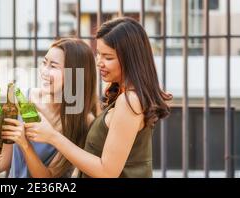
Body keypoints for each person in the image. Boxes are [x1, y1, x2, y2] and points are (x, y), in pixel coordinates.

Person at [25, 17, 172, 178]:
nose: (99, 62)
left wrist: (52, 137)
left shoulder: (130, 101)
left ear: (130, 59)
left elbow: (107, 172)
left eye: (108, 57)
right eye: (99, 54)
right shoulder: (122, 96)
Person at [0, 38, 97, 178]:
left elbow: (47, 177)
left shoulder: (83, 121)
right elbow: (4, 160)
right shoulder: (20, 101)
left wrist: (25, 144)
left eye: (53, 66)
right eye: (44, 63)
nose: (44, 72)